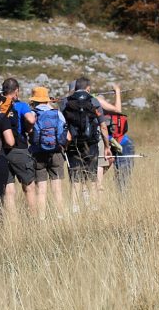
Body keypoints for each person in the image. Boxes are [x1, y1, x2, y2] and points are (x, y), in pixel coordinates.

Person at [61, 78, 112, 206]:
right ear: (88, 88)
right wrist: (107, 146)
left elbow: (61, 125)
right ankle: (94, 209)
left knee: (75, 180)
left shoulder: (65, 102)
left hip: (73, 145)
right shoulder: (94, 101)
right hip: (92, 144)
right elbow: (103, 126)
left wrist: (64, 145)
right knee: (92, 179)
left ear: (75, 87)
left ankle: (75, 210)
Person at [27, 87, 69, 216]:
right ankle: (60, 216)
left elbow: (29, 132)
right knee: (57, 189)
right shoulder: (57, 113)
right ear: (47, 99)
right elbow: (65, 135)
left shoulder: (32, 114)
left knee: (41, 190)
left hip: (37, 153)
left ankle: (41, 218)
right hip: (56, 152)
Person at [0, 78, 37, 212]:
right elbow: (30, 119)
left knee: (9, 190)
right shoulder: (20, 105)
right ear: (16, 91)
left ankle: (12, 224)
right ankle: (34, 219)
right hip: (19, 149)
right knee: (29, 187)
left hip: (1, 151)